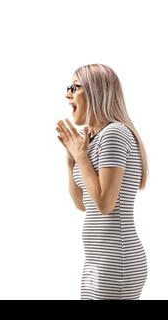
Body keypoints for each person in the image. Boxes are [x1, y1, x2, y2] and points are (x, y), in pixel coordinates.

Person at [56, 64, 148, 300]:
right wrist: (71, 161)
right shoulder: (95, 138)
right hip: (97, 260)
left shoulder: (115, 133)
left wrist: (81, 157)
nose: (67, 94)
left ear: (97, 91)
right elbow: (83, 204)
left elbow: (105, 204)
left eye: (74, 87)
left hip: (117, 261)